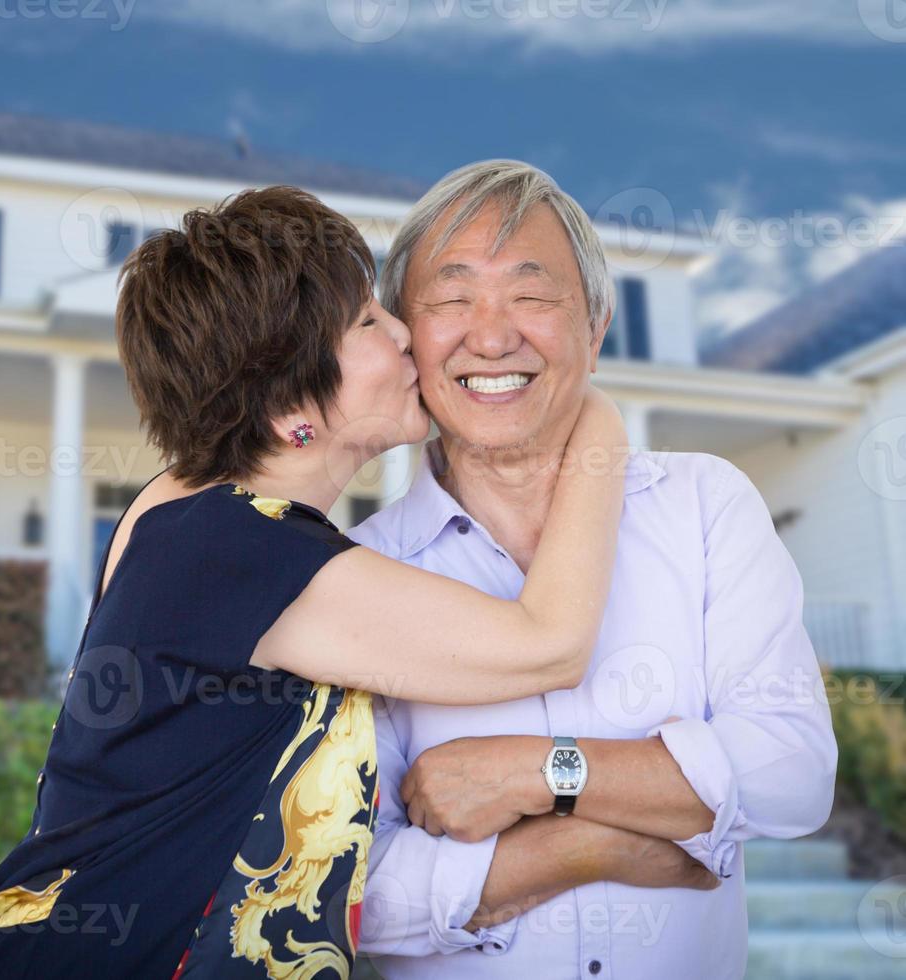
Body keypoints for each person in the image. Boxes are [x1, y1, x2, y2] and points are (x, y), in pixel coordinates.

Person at [0, 185, 630, 979]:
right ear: (290, 393)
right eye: (367, 321)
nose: (404, 334)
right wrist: (594, 414)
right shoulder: (242, 550)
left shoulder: (180, 508)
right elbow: (550, 644)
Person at [352, 160, 836, 980]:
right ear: (405, 338)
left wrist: (540, 773)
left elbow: (791, 773)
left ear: (597, 327)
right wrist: (585, 845)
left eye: (532, 296)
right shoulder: (360, 575)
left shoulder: (704, 506)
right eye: (451, 298)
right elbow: (354, 895)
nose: (493, 335)